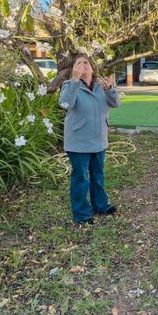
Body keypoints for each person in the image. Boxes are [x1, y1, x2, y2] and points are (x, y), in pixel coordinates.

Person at [58, 54, 120, 225]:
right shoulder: (70, 85)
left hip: (99, 139)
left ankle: (100, 205)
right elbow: (65, 104)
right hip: (78, 142)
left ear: (92, 67)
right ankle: (82, 214)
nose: (83, 65)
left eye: (86, 63)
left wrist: (110, 90)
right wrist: (75, 81)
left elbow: (116, 104)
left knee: (98, 175)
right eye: (79, 63)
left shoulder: (102, 85)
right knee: (81, 178)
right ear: (74, 69)